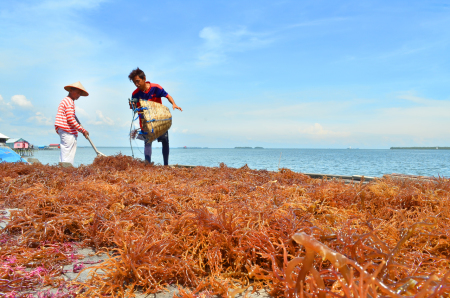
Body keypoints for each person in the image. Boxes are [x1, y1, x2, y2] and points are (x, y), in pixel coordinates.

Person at [128, 67, 182, 165]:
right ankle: (148, 166)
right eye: (134, 83)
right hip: (146, 123)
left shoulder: (156, 88)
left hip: (159, 121)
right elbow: (134, 108)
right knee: (147, 142)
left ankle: (166, 165)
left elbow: (167, 96)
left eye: (138, 81)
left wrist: (173, 104)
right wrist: (132, 105)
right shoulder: (135, 94)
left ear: (144, 78)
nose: (136, 84)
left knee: (165, 141)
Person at [54, 81, 90, 165]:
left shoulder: (65, 100)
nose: (78, 96)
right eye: (77, 93)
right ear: (71, 91)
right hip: (68, 132)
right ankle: (66, 173)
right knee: (68, 155)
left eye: (79, 94)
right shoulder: (69, 101)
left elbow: (71, 116)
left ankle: (63, 171)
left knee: (64, 154)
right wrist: (83, 130)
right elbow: (70, 119)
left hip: (64, 131)